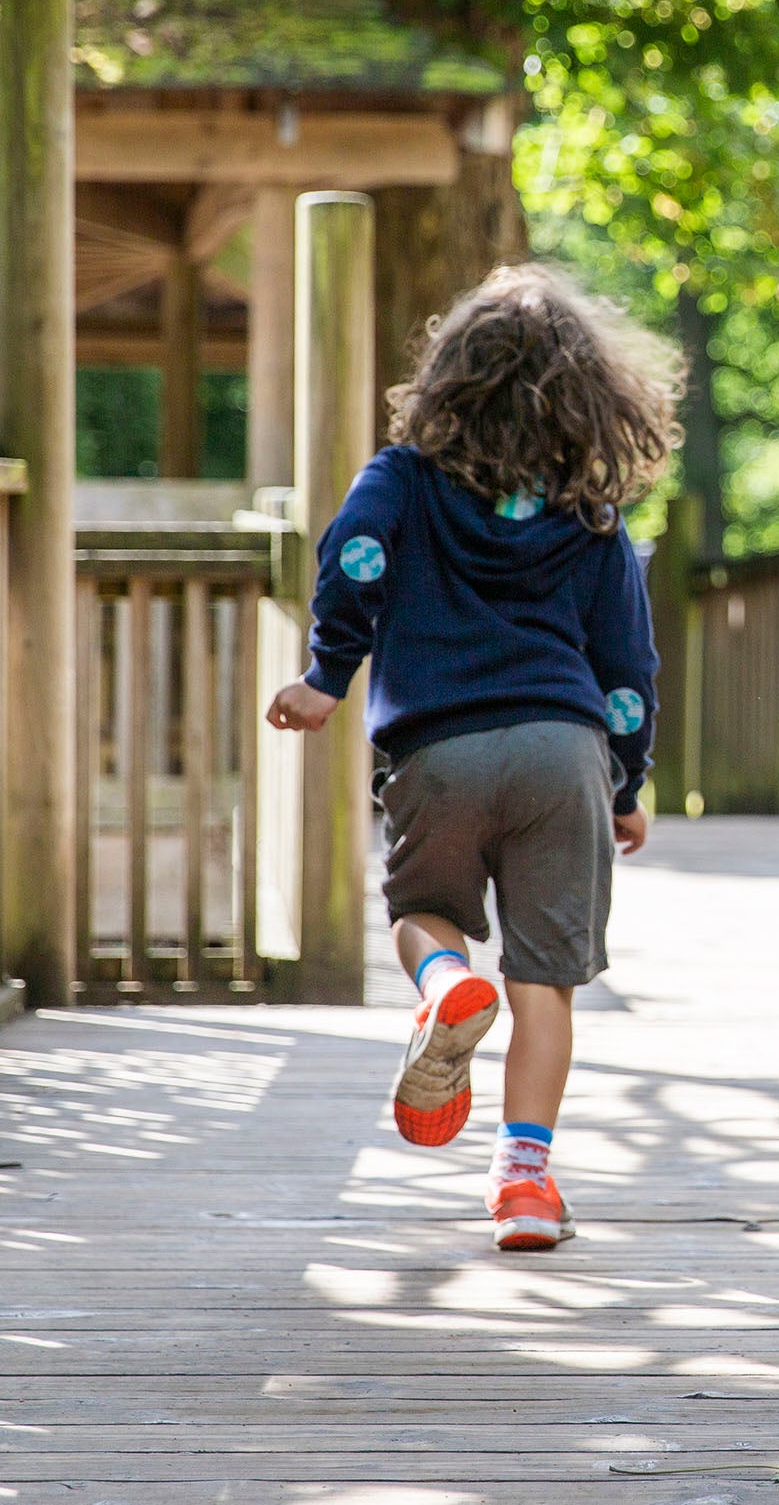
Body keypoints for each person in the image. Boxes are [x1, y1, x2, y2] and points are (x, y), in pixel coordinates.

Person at [266, 263, 678, 1253]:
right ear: (591, 396)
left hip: (436, 748)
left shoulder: (401, 479)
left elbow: (354, 552)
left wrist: (329, 674)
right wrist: (626, 778)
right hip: (561, 751)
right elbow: (628, 661)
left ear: (447, 378)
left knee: (421, 912)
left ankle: (445, 983)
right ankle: (525, 1184)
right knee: (545, 983)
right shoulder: (591, 512)